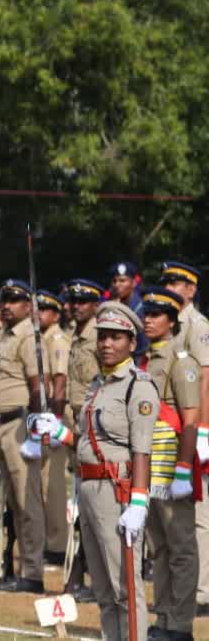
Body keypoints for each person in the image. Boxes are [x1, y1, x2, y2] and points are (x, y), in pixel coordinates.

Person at [34, 301, 155, 641]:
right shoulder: (97, 384)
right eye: (103, 337)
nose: (106, 344)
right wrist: (59, 432)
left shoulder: (138, 386)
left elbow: (142, 449)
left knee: (125, 588)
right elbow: (87, 441)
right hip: (88, 487)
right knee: (102, 589)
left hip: (117, 491)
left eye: (116, 337)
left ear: (132, 343)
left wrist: (139, 502)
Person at [134, 286, 199, 641]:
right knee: (158, 548)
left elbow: (190, 417)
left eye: (156, 314)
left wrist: (185, 469)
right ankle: (163, 617)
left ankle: (180, 624)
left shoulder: (181, 359)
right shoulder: (147, 359)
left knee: (181, 548)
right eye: (146, 312)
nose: (148, 319)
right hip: (151, 465)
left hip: (172, 465)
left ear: (172, 321)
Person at [152, 261, 209, 619]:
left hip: (191, 429)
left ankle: (201, 591)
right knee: (170, 528)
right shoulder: (170, 325)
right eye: (167, 281)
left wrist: (202, 431)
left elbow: (204, 380)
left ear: (191, 289)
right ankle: (179, 596)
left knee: (196, 518)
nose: (171, 286)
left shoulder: (196, 325)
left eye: (177, 282)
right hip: (170, 434)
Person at [0, 278, 49, 594]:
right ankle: (20, 567)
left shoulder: (28, 337)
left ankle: (33, 572)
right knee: (13, 502)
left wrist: (36, 433)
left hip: (21, 423)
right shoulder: (7, 335)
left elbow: (38, 386)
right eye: (4, 300)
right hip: (3, 425)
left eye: (14, 301)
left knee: (28, 502)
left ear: (28, 306)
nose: (7, 306)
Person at [63, 278, 105, 602]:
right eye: (72, 301)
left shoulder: (98, 336)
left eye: (82, 302)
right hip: (73, 422)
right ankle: (81, 571)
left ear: (94, 305)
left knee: (95, 502)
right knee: (78, 502)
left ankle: (94, 574)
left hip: (92, 423)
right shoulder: (76, 336)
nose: (75, 306)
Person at [36, 290, 71, 563]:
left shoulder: (57, 338)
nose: (39, 314)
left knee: (54, 482)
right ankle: (51, 537)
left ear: (56, 314)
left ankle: (58, 543)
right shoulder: (42, 337)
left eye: (45, 309)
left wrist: (57, 422)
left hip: (56, 414)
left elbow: (60, 379)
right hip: (44, 414)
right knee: (44, 480)